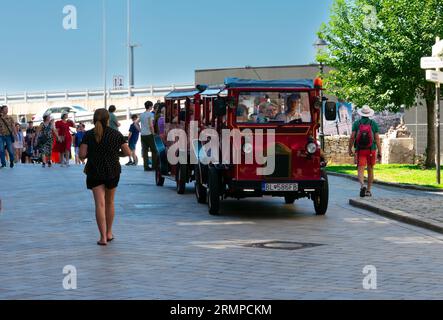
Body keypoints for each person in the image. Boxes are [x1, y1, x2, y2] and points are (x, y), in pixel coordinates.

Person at [79, 109, 131, 246]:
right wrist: (115, 154)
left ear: (94, 119)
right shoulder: (116, 134)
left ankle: (102, 237)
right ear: (108, 120)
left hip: (94, 171)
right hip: (112, 171)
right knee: (110, 202)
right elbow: (127, 152)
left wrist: (92, 152)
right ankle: (109, 233)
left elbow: (82, 155)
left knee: (99, 204)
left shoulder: (88, 135)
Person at [348, 105, 382, 198]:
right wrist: (380, 151)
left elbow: (352, 137)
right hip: (371, 150)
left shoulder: (356, 123)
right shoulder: (373, 123)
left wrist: (349, 148)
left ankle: (362, 185)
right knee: (370, 169)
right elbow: (377, 138)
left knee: (360, 169)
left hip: (360, 150)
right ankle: (368, 190)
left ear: (361, 114)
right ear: (369, 114)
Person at [137, 101, 157, 171]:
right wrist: (153, 133)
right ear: (150, 106)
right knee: (154, 150)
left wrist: (140, 130)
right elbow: (151, 125)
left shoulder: (142, 114)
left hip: (143, 135)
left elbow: (136, 123)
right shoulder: (151, 115)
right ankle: (154, 166)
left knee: (145, 151)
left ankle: (146, 166)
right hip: (149, 134)